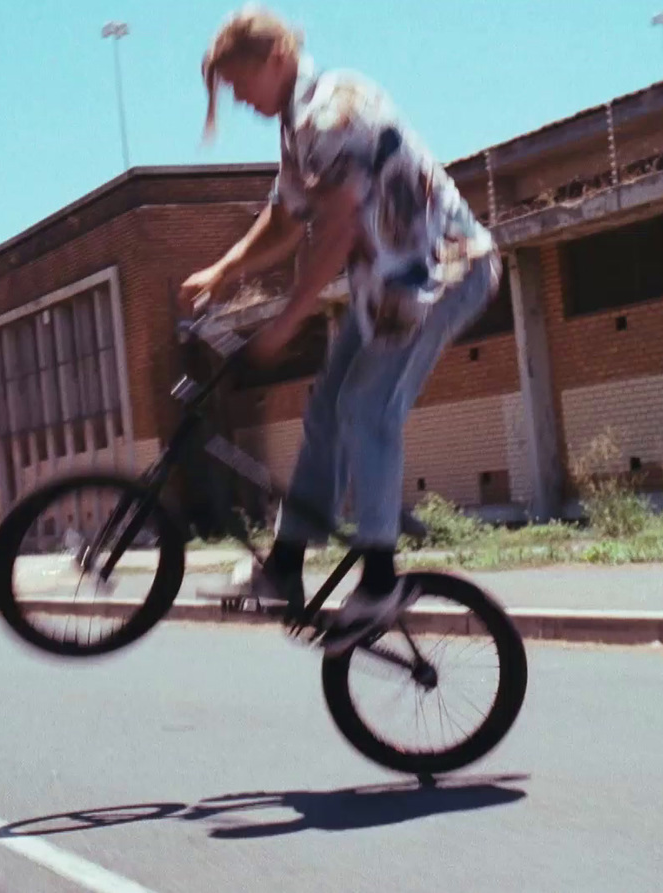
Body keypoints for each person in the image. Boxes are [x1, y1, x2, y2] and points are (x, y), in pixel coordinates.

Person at [181, 5, 501, 653]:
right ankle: (287, 566)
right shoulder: (300, 124)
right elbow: (285, 217)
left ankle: (379, 579)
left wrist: (284, 323)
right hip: (384, 289)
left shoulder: (334, 110)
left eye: (242, 85)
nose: (242, 102)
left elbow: (338, 229)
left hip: (439, 273)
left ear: (276, 60)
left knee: (364, 407)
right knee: (326, 406)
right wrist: (224, 268)